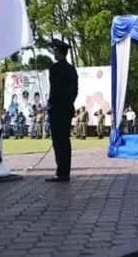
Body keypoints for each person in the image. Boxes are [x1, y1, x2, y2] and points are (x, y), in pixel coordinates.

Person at [46, 39, 78, 182]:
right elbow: (75, 91)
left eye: (54, 50)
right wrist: (68, 102)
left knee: (58, 141)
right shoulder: (71, 69)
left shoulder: (54, 69)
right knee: (65, 140)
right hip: (68, 108)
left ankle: (60, 172)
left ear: (58, 51)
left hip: (57, 110)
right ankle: (65, 171)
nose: (53, 52)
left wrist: (50, 104)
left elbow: (54, 90)